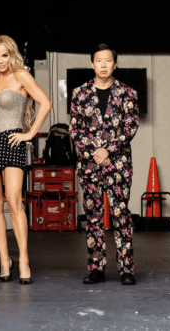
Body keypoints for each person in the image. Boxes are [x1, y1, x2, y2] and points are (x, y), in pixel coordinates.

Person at [0, 35, 52, 285]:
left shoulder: (21, 76)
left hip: (11, 141)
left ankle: (24, 260)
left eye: (4, 55)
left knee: (14, 201)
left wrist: (29, 134)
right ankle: (5, 260)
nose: (1, 60)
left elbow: (45, 103)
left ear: (12, 54)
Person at [69, 43, 139, 285]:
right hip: (89, 166)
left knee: (121, 216)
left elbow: (130, 127)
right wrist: (95, 153)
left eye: (108, 60)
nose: (103, 64)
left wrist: (107, 151)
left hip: (118, 164)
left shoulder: (128, 93)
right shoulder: (79, 93)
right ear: (92, 64)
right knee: (93, 216)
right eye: (99, 60)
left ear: (115, 64)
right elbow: (75, 129)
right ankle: (96, 269)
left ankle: (126, 270)